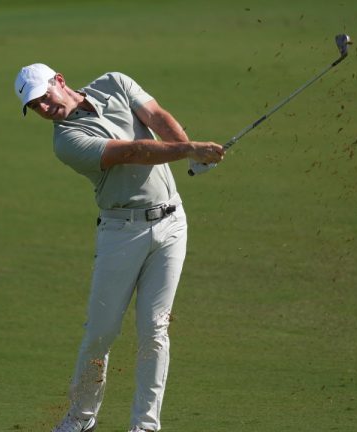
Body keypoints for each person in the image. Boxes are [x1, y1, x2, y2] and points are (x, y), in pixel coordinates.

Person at [13, 63, 223, 432]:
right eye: (35, 108)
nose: (44, 109)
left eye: (44, 98)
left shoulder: (115, 83)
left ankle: (145, 425)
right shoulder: (66, 142)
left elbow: (156, 116)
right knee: (101, 332)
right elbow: (131, 152)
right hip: (121, 233)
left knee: (155, 329)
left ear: (59, 82)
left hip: (172, 224)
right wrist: (191, 148)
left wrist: (192, 154)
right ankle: (81, 417)